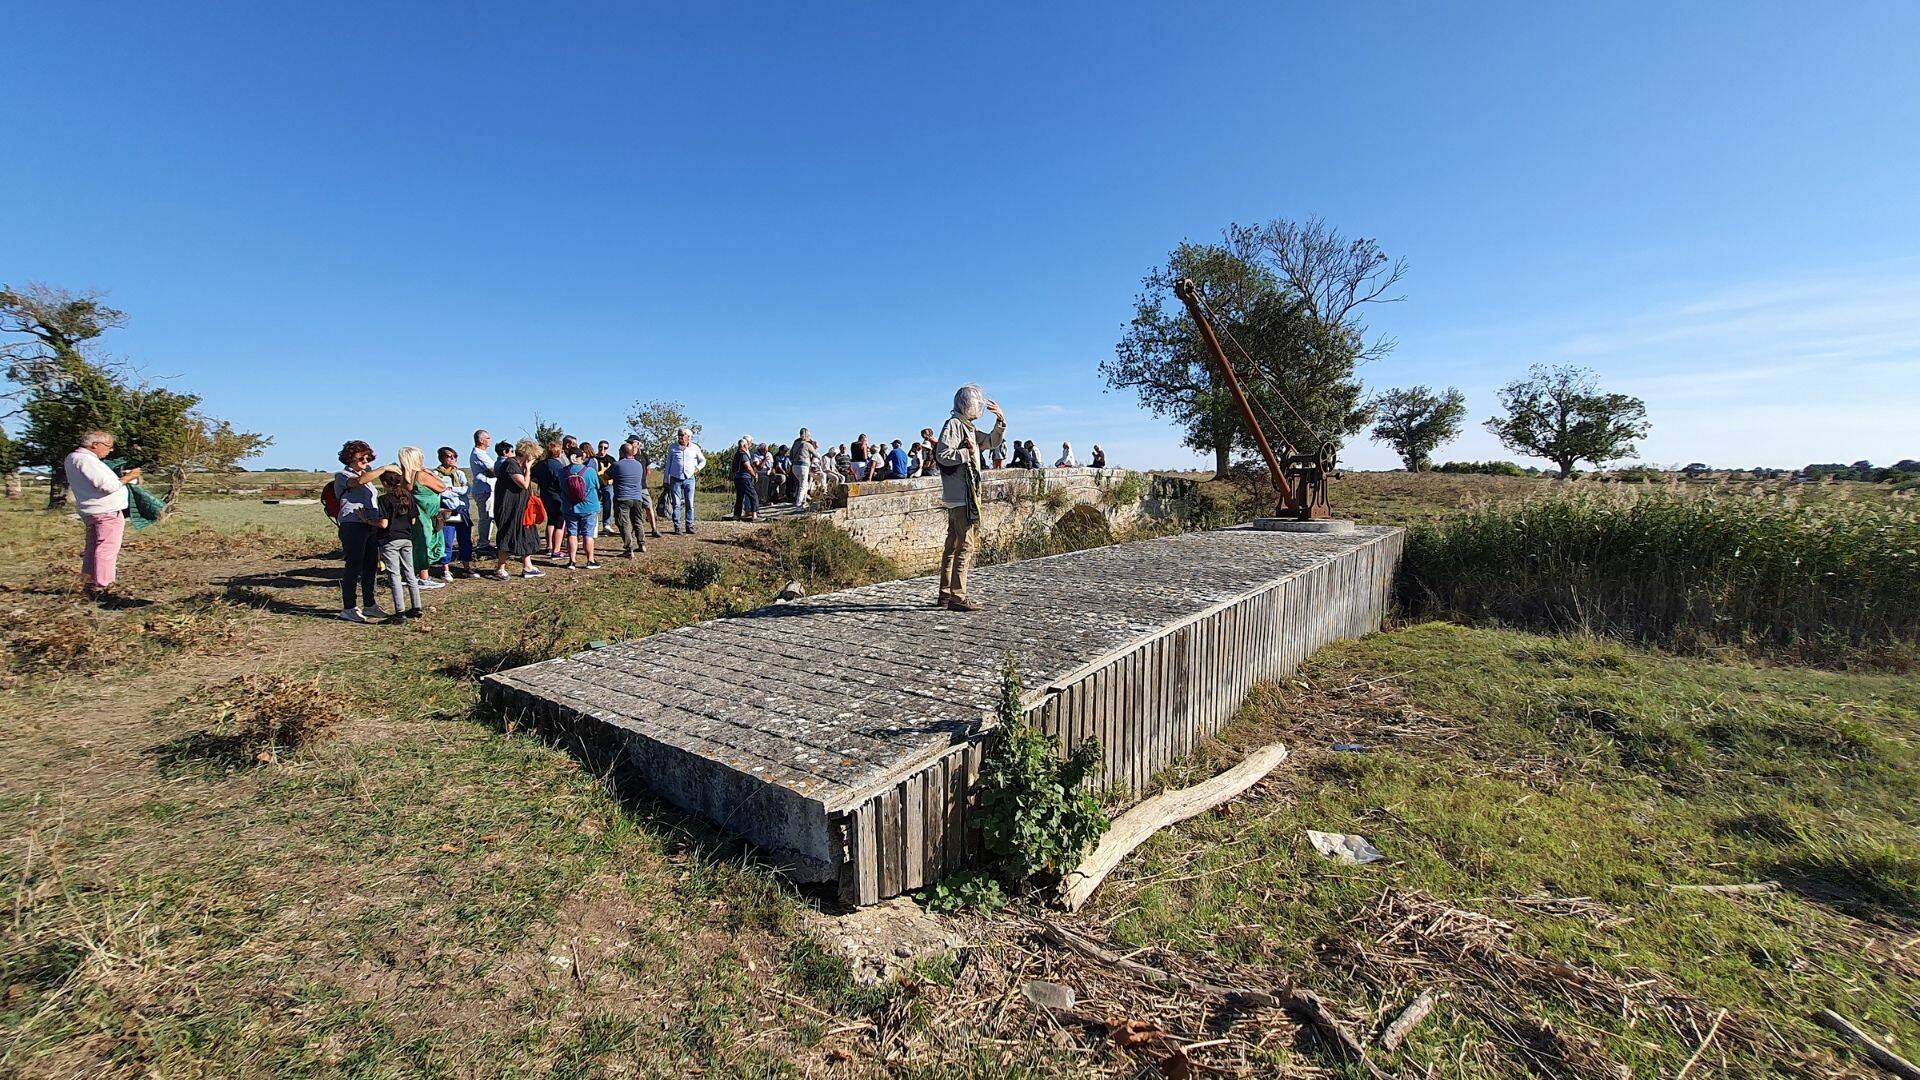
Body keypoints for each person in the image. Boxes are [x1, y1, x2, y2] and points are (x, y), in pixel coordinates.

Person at [934, 383, 1005, 612]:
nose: (979, 407)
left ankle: (946, 594)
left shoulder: (967, 428)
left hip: (959, 495)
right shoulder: (955, 425)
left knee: (953, 545)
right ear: (967, 404)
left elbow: (990, 442)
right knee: (965, 545)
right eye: (976, 403)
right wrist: (967, 453)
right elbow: (943, 454)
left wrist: (1000, 423)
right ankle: (958, 596)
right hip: (962, 495)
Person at [63, 431, 140, 602]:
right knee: (106, 549)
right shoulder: (87, 460)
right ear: (95, 444)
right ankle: (104, 587)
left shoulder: (73, 458)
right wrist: (130, 477)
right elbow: (107, 486)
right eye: (108, 446)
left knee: (93, 548)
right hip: (106, 511)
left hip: (91, 510)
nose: (110, 450)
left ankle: (90, 583)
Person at [396, 447, 449, 590]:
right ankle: (423, 577)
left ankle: (412, 575)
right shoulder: (420, 475)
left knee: (418, 543)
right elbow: (442, 487)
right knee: (425, 543)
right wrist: (430, 473)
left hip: (417, 513)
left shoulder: (406, 477)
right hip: (425, 515)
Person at [373, 470, 424, 622]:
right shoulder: (408, 497)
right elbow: (413, 520)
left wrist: (367, 520)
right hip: (407, 538)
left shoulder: (384, 500)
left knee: (394, 575)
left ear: (385, 483)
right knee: (410, 573)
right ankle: (416, 608)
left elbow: (383, 523)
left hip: (390, 540)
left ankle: (399, 612)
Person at [491, 440, 545, 579]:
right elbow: (524, 484)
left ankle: (527, 566)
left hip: (522, 507)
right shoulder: (511, 464)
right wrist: (529, 467)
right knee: (508, 534)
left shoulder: (519, 466)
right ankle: (500, 568)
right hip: (509, 507)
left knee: (526, 533)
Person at [434, 446, 473, 579]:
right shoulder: (436, 474)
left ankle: (467, 566)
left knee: (465, 539)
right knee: (448, 540)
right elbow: (441, 492)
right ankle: (445, 568)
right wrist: (458, 490)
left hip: (462, 510)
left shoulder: (460, 473)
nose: (453, 459)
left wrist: (452, 489)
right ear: (441, 458)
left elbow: (467, 489)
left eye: (455, 456)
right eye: (449, 456)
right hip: (447, 511)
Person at [562, 447, 602, 569]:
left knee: (572, 533)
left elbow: (561, 487)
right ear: (581, 457)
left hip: (569, 507)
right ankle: (590, 560)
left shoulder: (562, 471)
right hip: (589, 506)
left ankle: (572, 561)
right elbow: (597, 486)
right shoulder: (590, 471)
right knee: (587, 534)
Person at [607, 441, 650, 557]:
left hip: (622, 497)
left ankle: (628, 548)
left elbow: (607, 475)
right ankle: (642, 544)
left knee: (623, 523)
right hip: (637, 497)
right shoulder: (639, 465)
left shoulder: (617, 465)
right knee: (637, 521)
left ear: (621, 452)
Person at [662, 428, 706, 535]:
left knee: (689, 503)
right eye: (679, 435)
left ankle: (689, 526)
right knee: (676, 504)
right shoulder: (672, 447)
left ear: (689, 437)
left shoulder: (695, 448)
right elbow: (668, 464)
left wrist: (697, 468)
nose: (680, 437)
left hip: (689, 478)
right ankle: (677, 527)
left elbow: (703, 460)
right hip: (675, 478)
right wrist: (666, 479)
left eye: (682, 435)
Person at [536, 438, 569, 558]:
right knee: (560, 523)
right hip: (558, 496)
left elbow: (533, 476)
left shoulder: (540, 465)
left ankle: (549, 546)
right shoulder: (559, 466)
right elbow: (562, 483)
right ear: (559, 453)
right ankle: (556, 550)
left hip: (545, 495)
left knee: (551, 520)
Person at [469, 430, 495, 556]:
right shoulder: (479, 454)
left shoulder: (482, 454)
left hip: (487, 488)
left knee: (489, 516)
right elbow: (493, 470)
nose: (490, 440)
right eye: (488, 438)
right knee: (486, 517)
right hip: (484, 489)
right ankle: (483, 544)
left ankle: (485, 542)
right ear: (481, 440)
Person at [731, 435, 759, 521]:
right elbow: (747, 466)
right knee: (753, 495)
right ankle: (754, 514)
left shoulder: (736, 454)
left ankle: (736, 515)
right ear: (744, 445)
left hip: (737, 478)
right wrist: (754, 474)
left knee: (739, 497)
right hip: (744, 478)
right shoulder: (744, 454)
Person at [790, 428, 818, 510]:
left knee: (803, 485)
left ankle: (804, 502)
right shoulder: (807, 444)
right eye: (809, 436)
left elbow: (790, 456)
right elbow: (816, 454)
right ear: (806, 435)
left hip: (794, 467)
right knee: (803, 486)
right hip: (803, 466)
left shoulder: (795, 444)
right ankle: (798, 504)